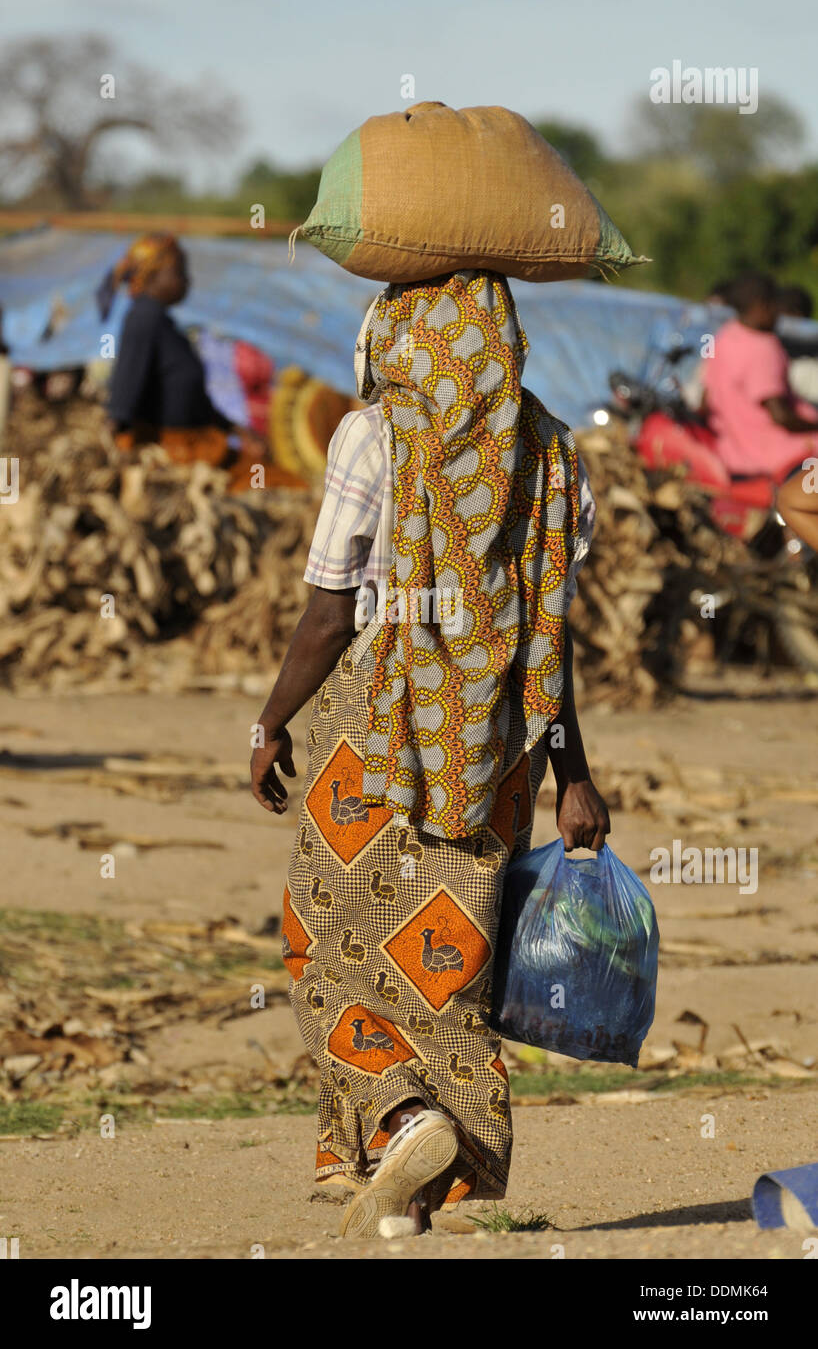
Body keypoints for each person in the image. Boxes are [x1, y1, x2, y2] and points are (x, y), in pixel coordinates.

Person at [250, 269, 609, 1238]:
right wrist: (573, 774)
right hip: (499, 744)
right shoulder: (552, 452)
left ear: (394, 339)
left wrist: (270, 719)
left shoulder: (373, 434)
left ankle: (404, 1116)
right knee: (444, 964)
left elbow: (330, 615)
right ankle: (395, 1187)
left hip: (375, 727)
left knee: (324, 948)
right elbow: (549, 637)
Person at [99, 233, 266, 491]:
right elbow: (124, 396)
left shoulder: (162, 324)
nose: (187, 280)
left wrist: (237, 430)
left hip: (198, 449)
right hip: (175, 456)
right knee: (277, 483)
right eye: (179, 272)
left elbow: (189, 399)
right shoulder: (144, 320)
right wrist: (115, 454)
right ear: (152, 276)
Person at [702, 272, 818, 482]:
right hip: (781, 457)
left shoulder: (723, 337)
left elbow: (706, 400)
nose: (778, 315)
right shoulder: (763, 347)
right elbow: (781, 416)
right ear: (762, 306)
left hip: (734, 456)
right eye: (775, 306)